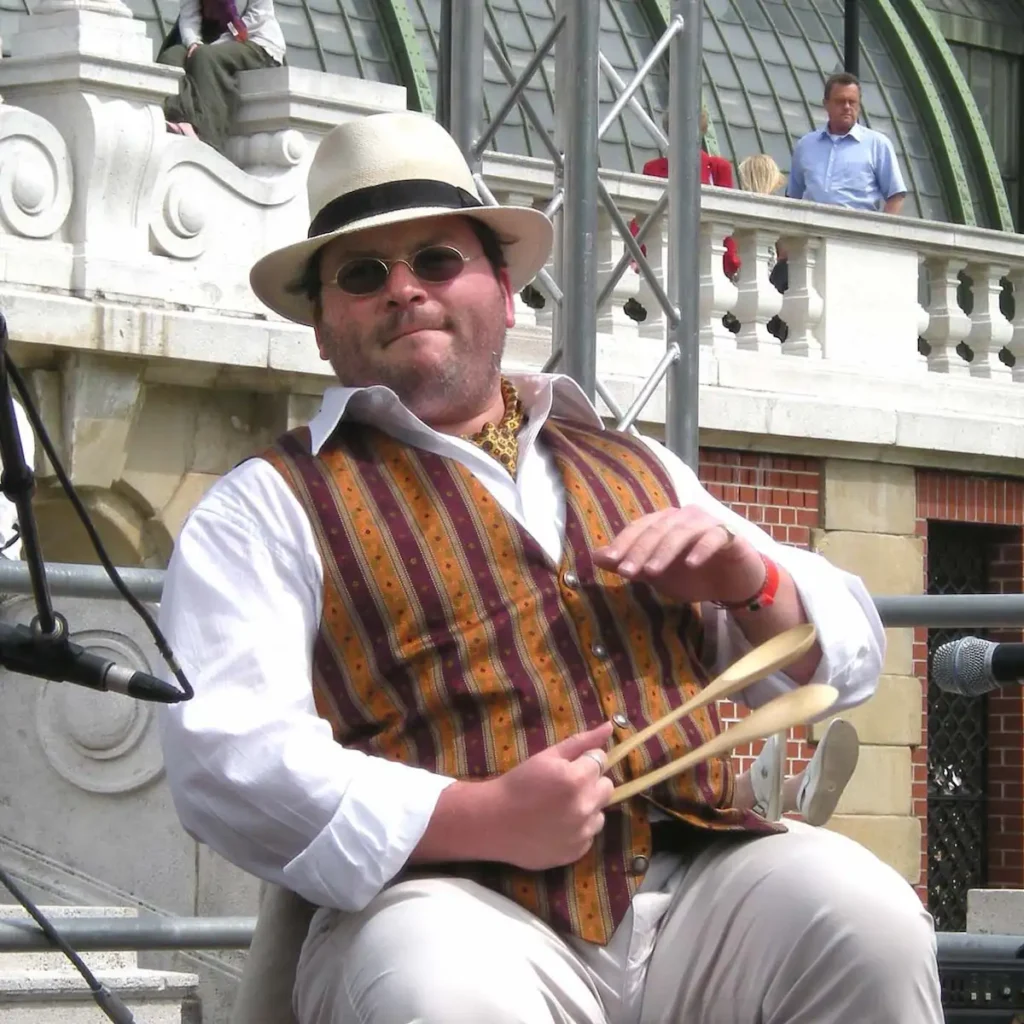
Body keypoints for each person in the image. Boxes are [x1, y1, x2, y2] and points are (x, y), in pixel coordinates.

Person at [158, 110, 941, 1024]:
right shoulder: (266, 505)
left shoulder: (637, 466)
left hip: (698, 880)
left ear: (503, 284)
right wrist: (478, 814)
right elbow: (225, 757)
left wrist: (749, 584)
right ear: (325, 327)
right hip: (449, 901)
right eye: (365, 275)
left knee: (869, 918)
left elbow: (845, 660)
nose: (405, 290)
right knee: (439, 992)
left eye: (438, 260)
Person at [156, 0, 285, 152]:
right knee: (171, 57)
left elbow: (257, 17)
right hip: (210, 43)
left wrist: (211, 46)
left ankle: (207, 136)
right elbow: (189, 16)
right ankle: (176, 119)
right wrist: (193, 43)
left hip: (256, 41)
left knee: (205, 57)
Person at [787, 72, 907, 214]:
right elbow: (792, 198)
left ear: (859, 105)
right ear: (826, 104)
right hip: (812, 230)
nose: (847, 107)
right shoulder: (806, 145)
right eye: (840, 101)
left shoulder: (877, 144)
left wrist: (883, 232)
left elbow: (896, 195)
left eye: (852, 102)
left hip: (856, 231)